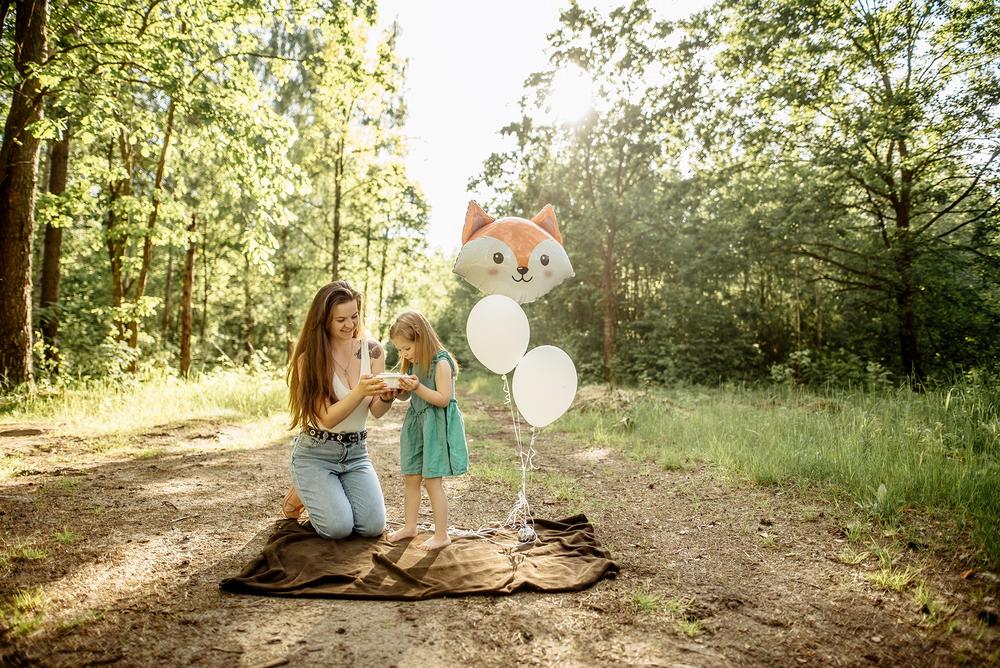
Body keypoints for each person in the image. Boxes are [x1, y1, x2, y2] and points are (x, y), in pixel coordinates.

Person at [284, 280, 397, 539]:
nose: (350, 325)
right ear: (324, 321)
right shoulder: (310, 360)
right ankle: (300, 490)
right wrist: (360, 391)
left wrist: (389, 397)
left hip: (356, 454)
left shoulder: (373, 350)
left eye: (354, 316)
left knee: (372, 527)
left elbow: (376, 411)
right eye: (340, 320)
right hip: (316, 453)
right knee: (338, 529)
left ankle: (330, 490)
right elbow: (326, 418)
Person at [386, 311, 469, 551]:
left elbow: (443, 399)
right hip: (417, 424)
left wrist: (418, 386)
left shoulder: (440, 362)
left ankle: (441, 534)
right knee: (411, 476)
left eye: (406, 348)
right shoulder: (414, 362)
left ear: (420, 338)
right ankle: (410, 526)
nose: (403, 354)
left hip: (435, 426)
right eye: (399, 350)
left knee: (432, 480)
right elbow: (409, 395)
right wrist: (398, 390)